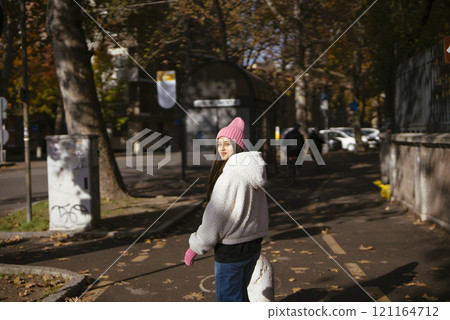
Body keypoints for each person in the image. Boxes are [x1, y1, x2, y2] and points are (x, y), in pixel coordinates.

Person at [184, 117, 269, 302]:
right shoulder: (253, 171)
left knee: (229, 301)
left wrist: (196, 247)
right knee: (241, 296)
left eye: (227, 144)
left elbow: (215, 218)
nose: (222, 148)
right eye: (219, 144)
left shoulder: (229, 175)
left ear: (238, 146)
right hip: (252, 246)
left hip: (231, 250)